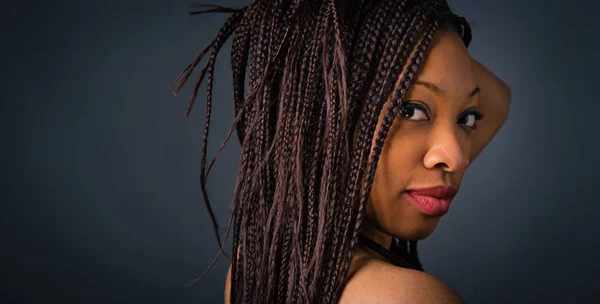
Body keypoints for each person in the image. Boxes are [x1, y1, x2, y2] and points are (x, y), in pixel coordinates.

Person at [172, 0, 511, 303]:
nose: (455, 158)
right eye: (410, 111)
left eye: (468, 117)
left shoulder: (261, 264)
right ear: (326, 114)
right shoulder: (411, 299)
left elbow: (493, 98)